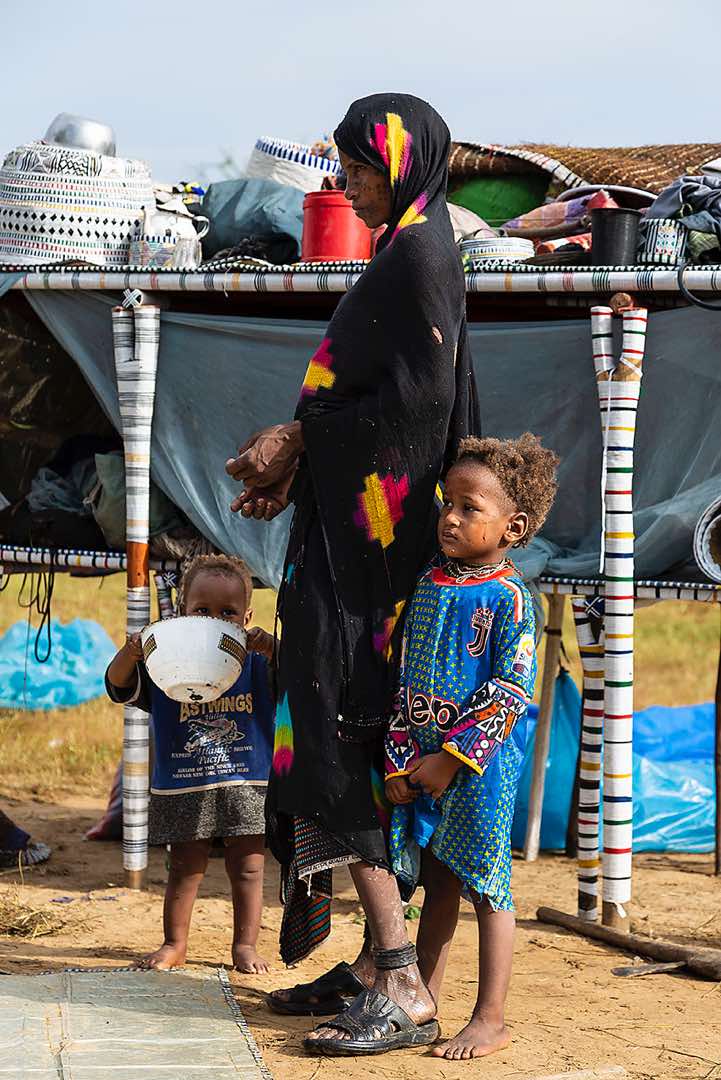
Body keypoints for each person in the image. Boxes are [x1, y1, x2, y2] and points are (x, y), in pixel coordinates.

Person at [225, 93, 479, 1055]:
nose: (346, 186)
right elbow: (386, 400)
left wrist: (300, 438)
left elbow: (411, 418)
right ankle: (375, 966)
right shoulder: (408, 245)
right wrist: (303, 463)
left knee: (337, 730)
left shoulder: (416, 254)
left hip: (371, 569)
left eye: (360, 168)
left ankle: (402, 979)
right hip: (357, 545)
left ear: (405, 165)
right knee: (334, 725)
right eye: (341, 167)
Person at [385, 433, 559, 1061]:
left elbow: (510, 690)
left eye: (469, 508)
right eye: (446, 504)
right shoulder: (429, 584)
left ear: (512, 526)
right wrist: (402, 760)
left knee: (488, 886)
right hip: (421, 766)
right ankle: (421, 998)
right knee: (437, 880)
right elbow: (405, 679)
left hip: (478, 772)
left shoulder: (511, 598)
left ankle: (490, 1016)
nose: (450, 518)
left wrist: (450, 758)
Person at [105, 554, 275, 973]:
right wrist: (134, 649)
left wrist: (272, 647)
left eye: (228, 612)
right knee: (184, 865)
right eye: (201, 610)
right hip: (183, 781)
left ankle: (245, 947)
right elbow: (116, 685)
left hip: (247, 781)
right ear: (181, 612)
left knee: (250, 868)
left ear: (247, 616)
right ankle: (175, 943)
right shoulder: (166, 663)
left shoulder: (257, 662)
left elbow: (300, 683)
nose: (214, 618)